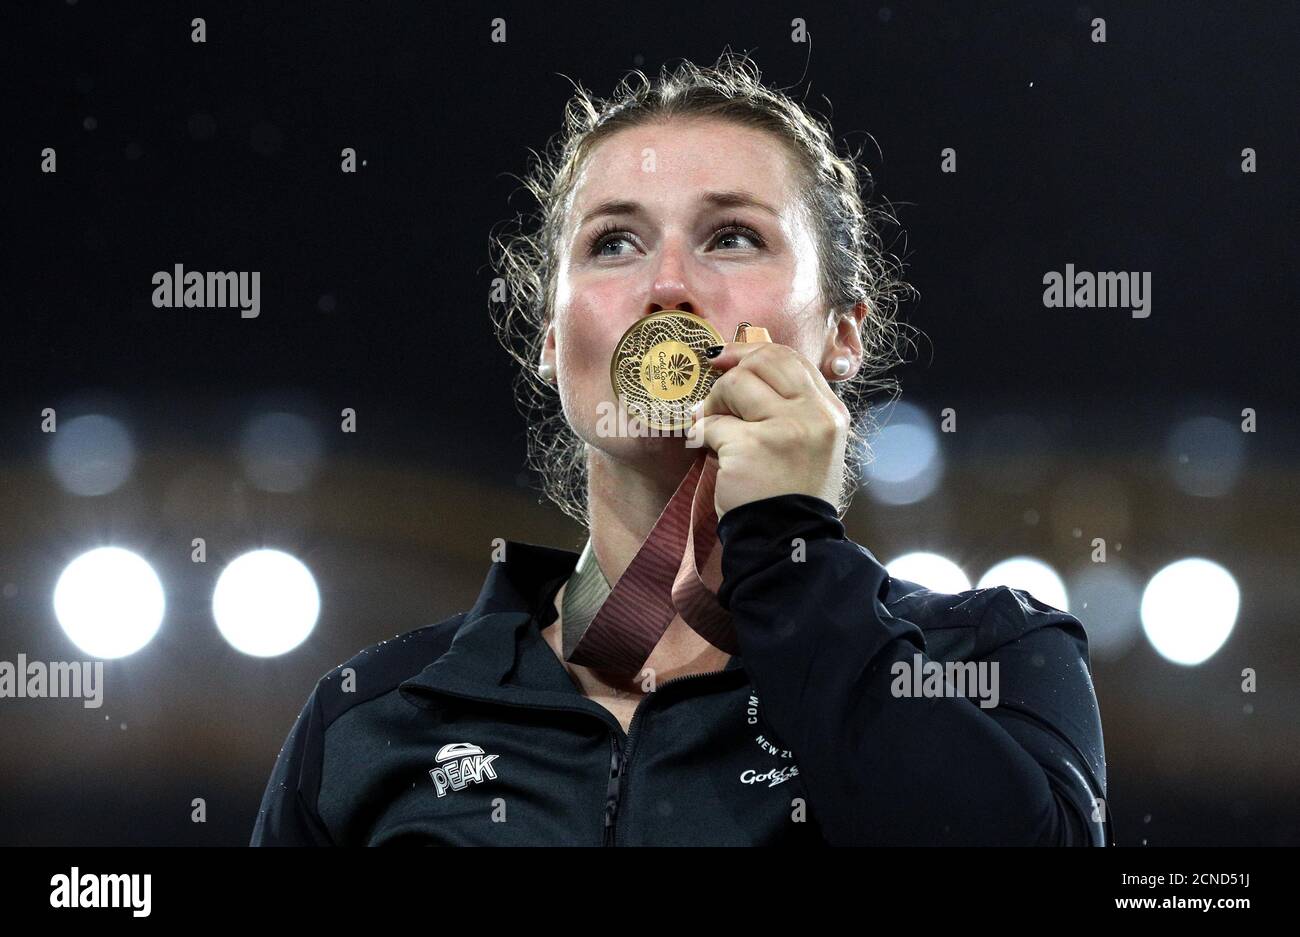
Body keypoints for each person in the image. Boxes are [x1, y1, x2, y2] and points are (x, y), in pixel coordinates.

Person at [251, 52, 1110, 846]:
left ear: (844, 333)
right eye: (613, 242)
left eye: (732, 235)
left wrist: (789, 553)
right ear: (552, 337)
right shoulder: (377, 714)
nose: (666, 285)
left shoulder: (985, 655)